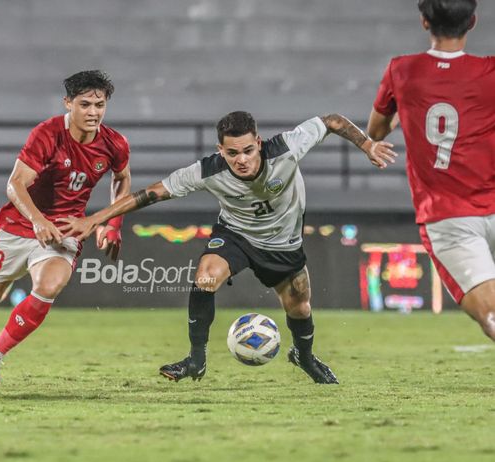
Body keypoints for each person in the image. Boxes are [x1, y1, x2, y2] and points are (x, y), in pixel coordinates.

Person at [60, 111, 396, 383]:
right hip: (236, 235)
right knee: (205, 277)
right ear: (222, 151)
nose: (241, 160)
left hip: (284, 244)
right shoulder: (209, 171)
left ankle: (304, 357)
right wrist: (95, 219)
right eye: (232, 153)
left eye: (248, 151)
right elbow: (149, 194)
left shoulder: (287, 148)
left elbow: (332, 121)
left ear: (259, 144)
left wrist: (366, 144)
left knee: (301, 308)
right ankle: (196, 360)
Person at [0, 70, 131, 386]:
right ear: (68, 103)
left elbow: (122, 178)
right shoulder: (47, 134)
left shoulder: (114, 143)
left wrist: (112, 224)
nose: (93, 112)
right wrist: (38, 220)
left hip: (64, 230)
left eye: (100, 105)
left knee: (50, 285)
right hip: (17, 226)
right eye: (85, 104)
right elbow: (15, 184)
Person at [367, 0, 495, 341]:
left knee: (492, 316)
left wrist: (403, 111)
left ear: (424, 22)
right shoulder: (490, 71)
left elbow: (375, 133)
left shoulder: (401, 71)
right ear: (473, 22)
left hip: (447, 215)